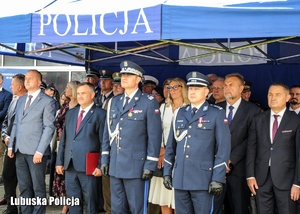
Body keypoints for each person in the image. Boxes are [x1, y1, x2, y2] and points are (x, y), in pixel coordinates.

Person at [163, 71, 231, 214]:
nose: (193, 92)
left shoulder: (216, 113)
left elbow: (223, 148)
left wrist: (218, 177)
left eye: (197, 88)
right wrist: (167, 172)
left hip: (203, 179)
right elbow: (171, 147)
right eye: (191, 88)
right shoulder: (180, 113)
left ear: (207, 91)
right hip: (181, 178)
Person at [100, 60, 162, 214]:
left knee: (136, 208)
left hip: (136, 166)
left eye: (129, 74)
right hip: (115, 164)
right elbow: (107, 133)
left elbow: (154, 136)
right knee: (117, 208)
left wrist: (150, 164)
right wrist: (105, 158)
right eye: (123, 74)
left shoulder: (148, 102)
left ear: (138, 79)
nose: (125, 77)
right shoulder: (114, 101)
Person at [7, 69, 56, 214]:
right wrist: (11, 145)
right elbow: (16, 124)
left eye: (31, 78)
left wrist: (40, 151)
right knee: (24, 187)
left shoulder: (48, 101)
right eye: (26, 78)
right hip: (20, 150)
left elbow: (49, 127)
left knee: (38, 188)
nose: (27, 80)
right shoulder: (21, 99)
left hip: (36, 153)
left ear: (39, 82)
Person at [247, 82, 300, 214]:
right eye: (270, 94)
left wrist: (297, 183)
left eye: (277, 94)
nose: (273, 98)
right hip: (261, 178)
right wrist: (250, 176)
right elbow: (251, 148)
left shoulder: (296, 120)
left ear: (288, 98)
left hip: (287, 179)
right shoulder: (258, 119)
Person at [213, 73, 261, 214]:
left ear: (241, 89)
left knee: (239, 208)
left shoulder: (253, 111)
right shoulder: (215, 109)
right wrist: (220, 160)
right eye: (225, 85)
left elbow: (251, 140)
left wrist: (230, 159)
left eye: (231, 85)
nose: (227, 88)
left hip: (239, 170)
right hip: (216, 169)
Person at [56, 82, 106, 214]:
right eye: (78, 93)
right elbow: (64, 140)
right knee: (73, 202)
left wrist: (101, 165)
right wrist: (60, 162)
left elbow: (104, 142)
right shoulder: (71, 113)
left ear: (92, 95)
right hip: (70, 165)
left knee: (91, 203)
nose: (80, 96)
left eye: (83, 93)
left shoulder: (100, 114)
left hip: (90, 166)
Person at [149, 78, 189, 214]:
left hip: (182, 157)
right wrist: (161, 151)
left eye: (176, 87)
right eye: (170, 88)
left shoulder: (189, 108)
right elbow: (157, 130)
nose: (172, 90)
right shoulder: (163, 107)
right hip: (164, 157)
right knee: (164, 200)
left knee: (179, 201)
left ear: (183, 88)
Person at [52, 80, 79, 214]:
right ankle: (66, 203)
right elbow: (57, 121)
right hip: (61, 142)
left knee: (70, 175)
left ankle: (66, 207)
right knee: (61, 172)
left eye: (68, 87)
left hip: (73, 144)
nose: (65, 90)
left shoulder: (79, 106)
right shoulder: (66, 105)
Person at [1, 73, 27, 214]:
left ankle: (24, 208)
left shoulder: (28, 101)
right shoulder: (13, 100)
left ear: (20, 86)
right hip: (9, 145)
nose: (10, 86)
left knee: (23, 180)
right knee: (7, 175)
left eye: (12, 84)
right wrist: (5, 136)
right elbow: (6, 121)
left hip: (22, 147)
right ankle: (11, 208)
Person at [0, 73, 13, 187]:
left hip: (1, 128)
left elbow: (5, 112)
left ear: (1, 81)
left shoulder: (7, 95)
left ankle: (0, 176)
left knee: (0, 153)